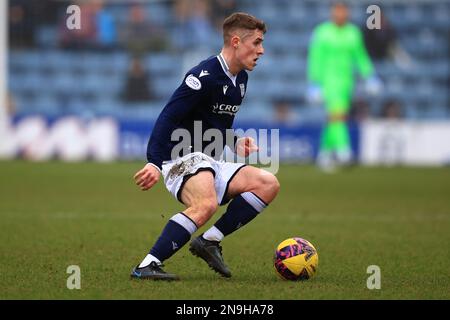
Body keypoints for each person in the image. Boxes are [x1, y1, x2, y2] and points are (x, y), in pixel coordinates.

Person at [131, 12, 279, 280]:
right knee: (206, 204)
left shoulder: (241, 80)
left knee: (268, 183)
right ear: (236, 41)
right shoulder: (203, 75)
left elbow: (217, 123)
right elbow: (168, 117)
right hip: (181, 160)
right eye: (256, 43)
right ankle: (146, 265)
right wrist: (154, 161)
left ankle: (209, 241)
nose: (261, 50)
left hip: (209, 162)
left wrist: (234, 141)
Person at [306, 2, 381, 171]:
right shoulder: (322, 32)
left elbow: (360, 56)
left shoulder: (353, 33)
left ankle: (324, 154)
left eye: (343, 11)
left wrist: (370, 76)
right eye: (337, 11)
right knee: (338, 115)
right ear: (332, 12)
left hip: (347, 83)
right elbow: (315, 59)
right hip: (328, 81)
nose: (340, 14)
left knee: (334, 118)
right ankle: (343, 150)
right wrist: (314, 83)